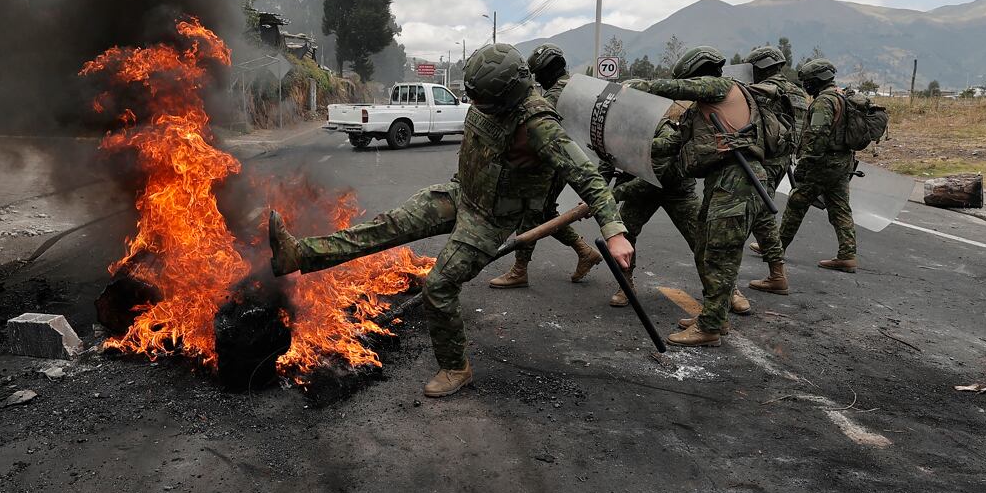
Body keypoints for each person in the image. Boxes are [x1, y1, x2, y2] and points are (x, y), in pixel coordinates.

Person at [268, 44, 633, 397]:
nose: (476, 104)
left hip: (489, 219)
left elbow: (587, 176)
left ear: (508, 93)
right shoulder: (486, 100)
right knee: (389, 225)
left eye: (483, 99)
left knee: (439, 285)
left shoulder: (537, 123)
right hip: (461, 194)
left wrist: (614, 231)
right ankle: (298, 255)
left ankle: (455, 368)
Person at [630, 46, 769, 347]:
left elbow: (680, 88)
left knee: (721, 255)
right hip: (721, 181)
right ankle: (714, 317)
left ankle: (709, 329)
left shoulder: (723, 86)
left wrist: (640, 87)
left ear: (697, 74)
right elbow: (674, 143)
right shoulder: (702, 111)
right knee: (705, 249)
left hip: (738, 179)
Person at [600, 108, 750, 316]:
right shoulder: (617, 129)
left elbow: (654, 177)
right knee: (623, 234)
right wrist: (597, 194)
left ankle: (727, 291)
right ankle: (625, 285)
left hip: (675, 189)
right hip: (640, 191)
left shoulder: (663, 129)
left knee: (702, 240)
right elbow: (607, 162)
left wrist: (612, 196)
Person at [488, 43, 602, 289]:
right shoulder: (578, 88)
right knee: (545, 213)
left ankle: (520, 270)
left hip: (550, 164)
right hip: (570, 160)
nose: (537, 78)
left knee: (531, 213)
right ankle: (585, 252)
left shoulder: (553, 96)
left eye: (539, 73)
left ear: (547, 70)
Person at [776, 58, 858, 272]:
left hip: (823, 163)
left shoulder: (823, 101)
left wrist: (805, 164)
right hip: (843, 162)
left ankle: (775, 248)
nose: (807, 85)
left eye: (809, 81)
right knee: (840, 208)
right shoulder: (842, 96)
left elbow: (818, 134)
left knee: (797, 202)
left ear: (818, 80)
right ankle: (847, 255)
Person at [744, 46, 807, 295]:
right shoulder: (798, 92)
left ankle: (776, 274)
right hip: (783, 160)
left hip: (764, 160)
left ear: (760, 67)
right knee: (761, 213)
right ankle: (776, 272)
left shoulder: (765, 91)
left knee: (753, 214)